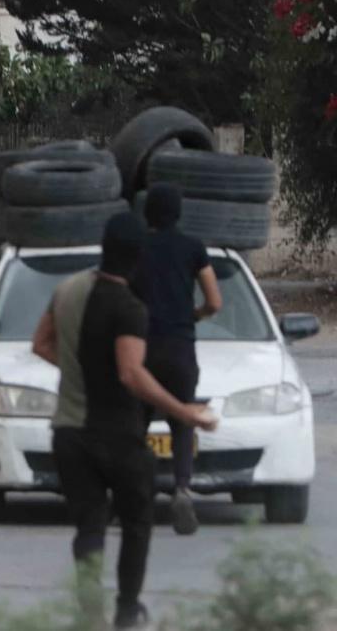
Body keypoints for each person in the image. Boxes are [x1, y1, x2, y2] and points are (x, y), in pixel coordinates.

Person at [31, 213, 217, 629]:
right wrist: (184, 411)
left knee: (89, 526)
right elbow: (131, 374)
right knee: (136, 521)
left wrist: (78, 367)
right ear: (138, 258)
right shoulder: (130, 308)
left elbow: (40, 343)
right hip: (117, 436)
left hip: (69, 433)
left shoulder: (68, 289)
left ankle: (90, 614)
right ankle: (127, 610)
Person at [131, 184, 222, 536]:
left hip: (142, 348)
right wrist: (193, 314)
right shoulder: (193, 248)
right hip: (180, 347)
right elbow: (214, 302)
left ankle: (134, 496)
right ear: (179, 213)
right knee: (183, 421)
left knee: (135, 424)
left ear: (147, 214)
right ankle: (182, 489)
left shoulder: (136, 247)